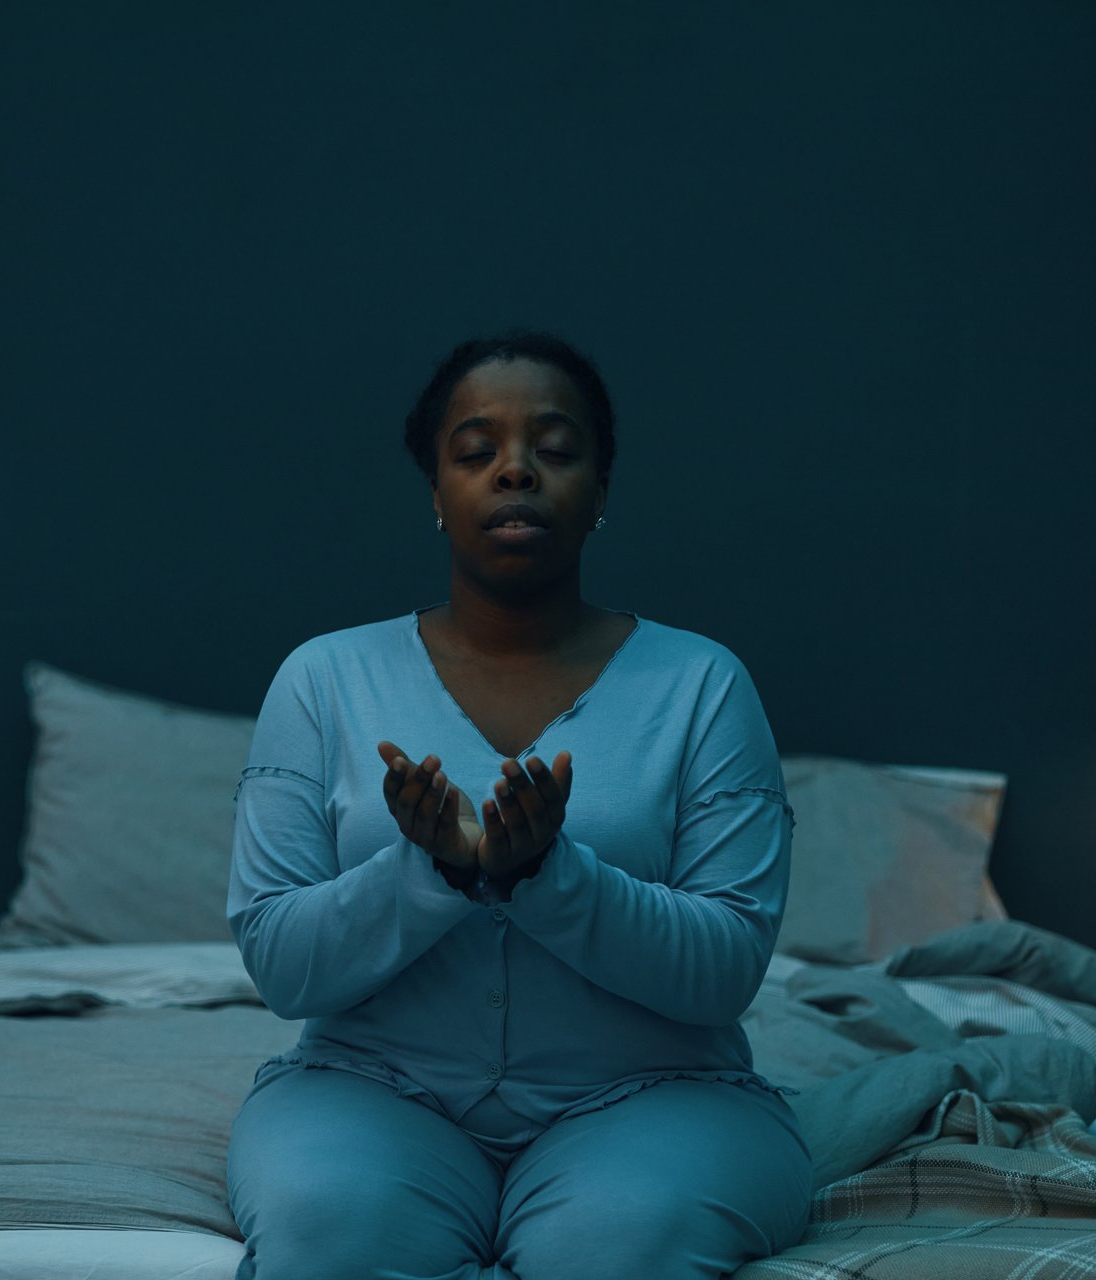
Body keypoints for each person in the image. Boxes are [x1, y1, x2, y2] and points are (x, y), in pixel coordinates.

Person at [225, 332, 814, 1280]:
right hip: (374, 1095)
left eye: (554, 448)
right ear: (435, 492)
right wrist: (433, 868)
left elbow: (726, 970)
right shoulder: (323, 681)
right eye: (475, 451)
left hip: (653, 1099)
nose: (514, 472)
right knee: (326, 1231)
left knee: (618, 1245)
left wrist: (548, 873)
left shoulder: (702, 684)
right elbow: (284, 969)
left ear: (602, 491)